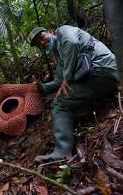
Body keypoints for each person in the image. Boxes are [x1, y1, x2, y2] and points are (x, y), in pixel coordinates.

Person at [28, 25, 119, 162]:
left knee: (60, 103)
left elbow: (72, 43)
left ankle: (63, 151)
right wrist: (41, 88)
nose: (41, 43)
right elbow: (59, 80)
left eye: (41, 37)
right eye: (38, 44)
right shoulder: (59, 55)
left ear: (50, 31)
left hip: (101, 68)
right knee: (63, 97)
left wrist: (68, 77)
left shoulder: (63, 31)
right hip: (97, 75)